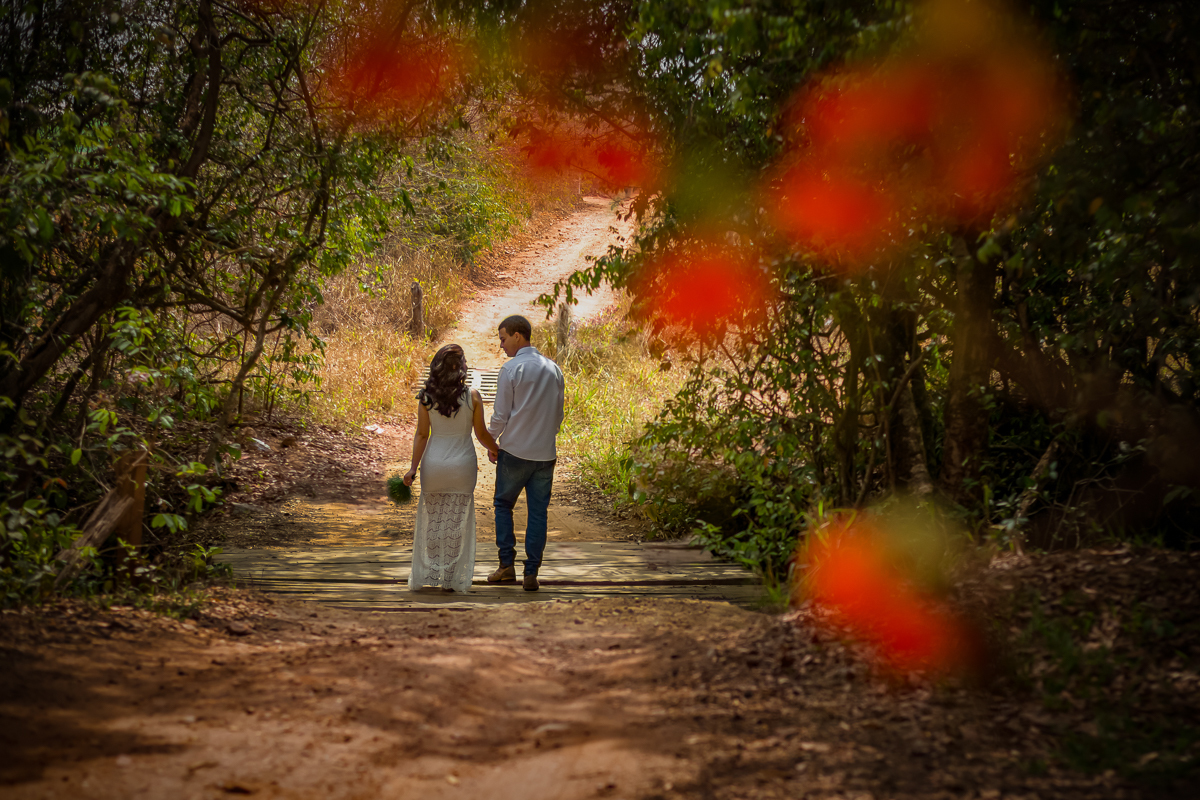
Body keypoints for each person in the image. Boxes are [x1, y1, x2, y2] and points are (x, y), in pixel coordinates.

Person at [404, 344, 498, 592]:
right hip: (462, 467)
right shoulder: (473, 396)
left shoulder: (426, 397)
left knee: (434, 523)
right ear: (462, 367)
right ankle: (450, 580)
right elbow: (481, 434)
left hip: (433, 466)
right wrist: (497, 449)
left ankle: (433, 571)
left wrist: (412, 468)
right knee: (457, 524)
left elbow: (422, 435)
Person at [486, 315, 565, 592]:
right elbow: (558, 415)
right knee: (538, 513)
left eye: (503, 338)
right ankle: (531, 572)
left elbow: (500, 415)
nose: (502, 345)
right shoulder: (554, 369)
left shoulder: (510, 370)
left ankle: (506, 565)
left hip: (515, 452)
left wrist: (490, 442)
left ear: (518, 336)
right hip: (545, 454)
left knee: (503, 505)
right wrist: (545, 436)